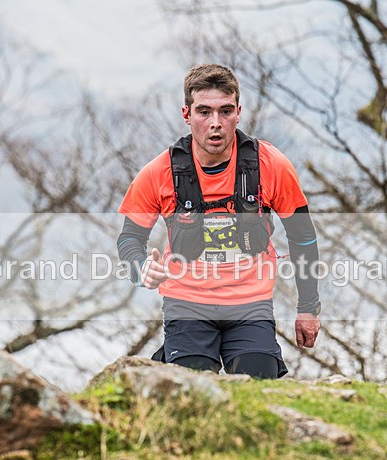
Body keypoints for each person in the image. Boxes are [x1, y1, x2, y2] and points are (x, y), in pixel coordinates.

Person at [116, 64, 320, 379]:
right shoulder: (159, 172)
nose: (215, 123)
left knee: (259, 383)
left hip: (250, 303)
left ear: (238, 113)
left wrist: (308, 307)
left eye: (225, 111)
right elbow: (129, 239)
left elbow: (303, 237)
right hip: (186, 303)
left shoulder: (271, 165)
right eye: (204, 112)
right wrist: (140, 268)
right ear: (187, 114)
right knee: (191, 388)